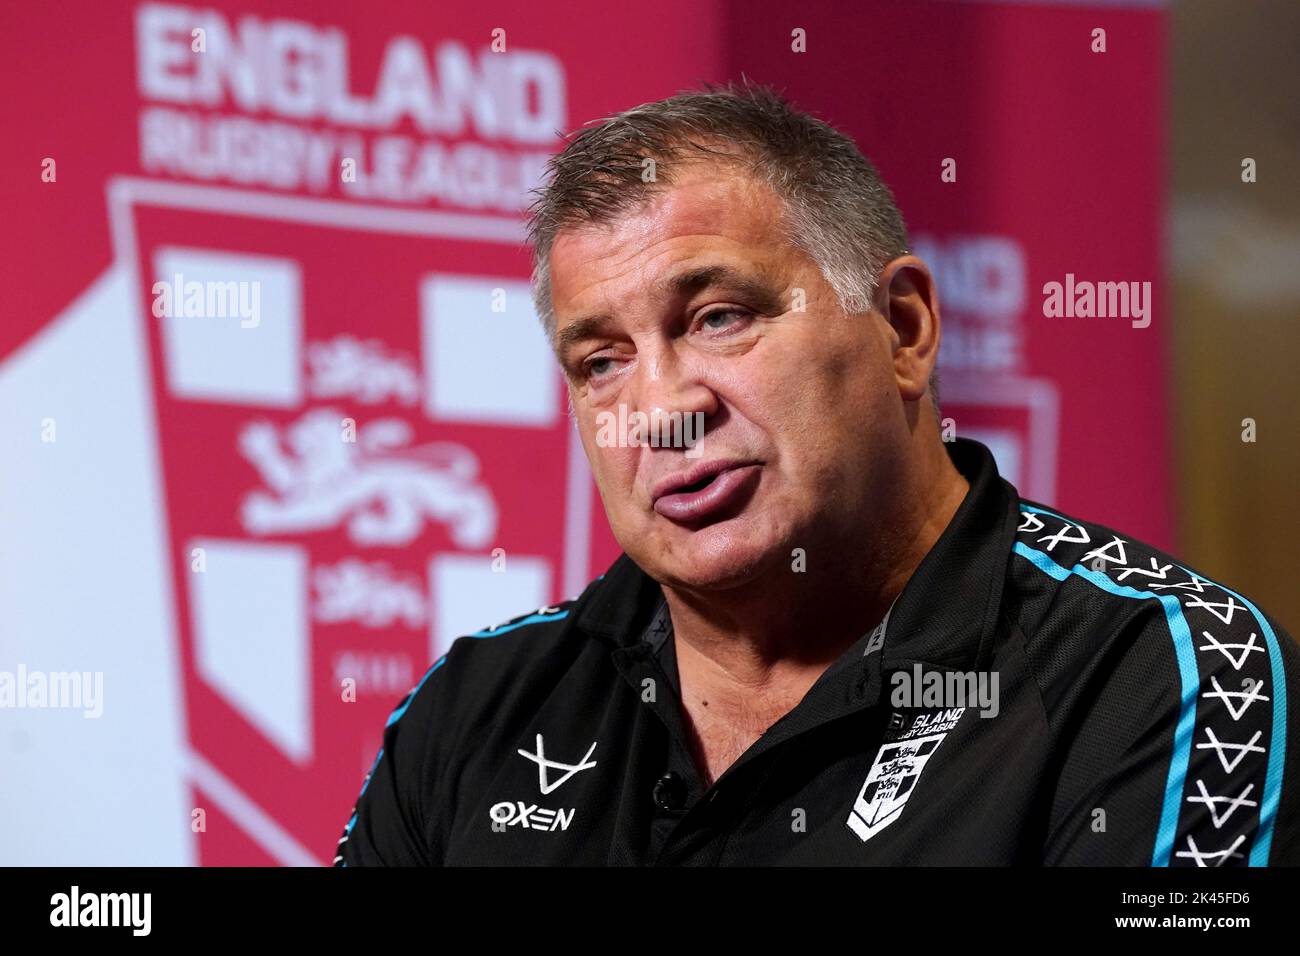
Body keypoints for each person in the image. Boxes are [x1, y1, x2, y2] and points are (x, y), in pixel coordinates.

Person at [334, 81, 1298, 866]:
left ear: (905, 330)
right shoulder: (477, 704)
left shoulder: (1167, 675)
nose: (662, 410)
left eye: (719, 316)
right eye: (602, 361)